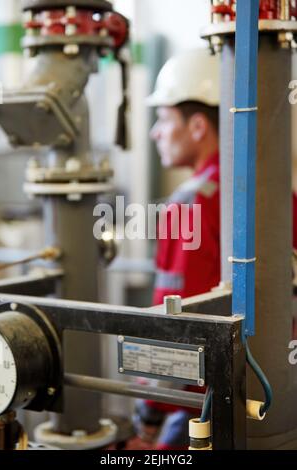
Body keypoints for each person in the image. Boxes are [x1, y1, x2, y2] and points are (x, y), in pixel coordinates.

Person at [131, 49, 221, 450]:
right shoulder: (273, 190)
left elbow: (177, 322)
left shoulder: (190, 202)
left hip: (203, 403)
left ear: (198, 125)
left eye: (165, 119)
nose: (155, 132)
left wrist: (150, 416)